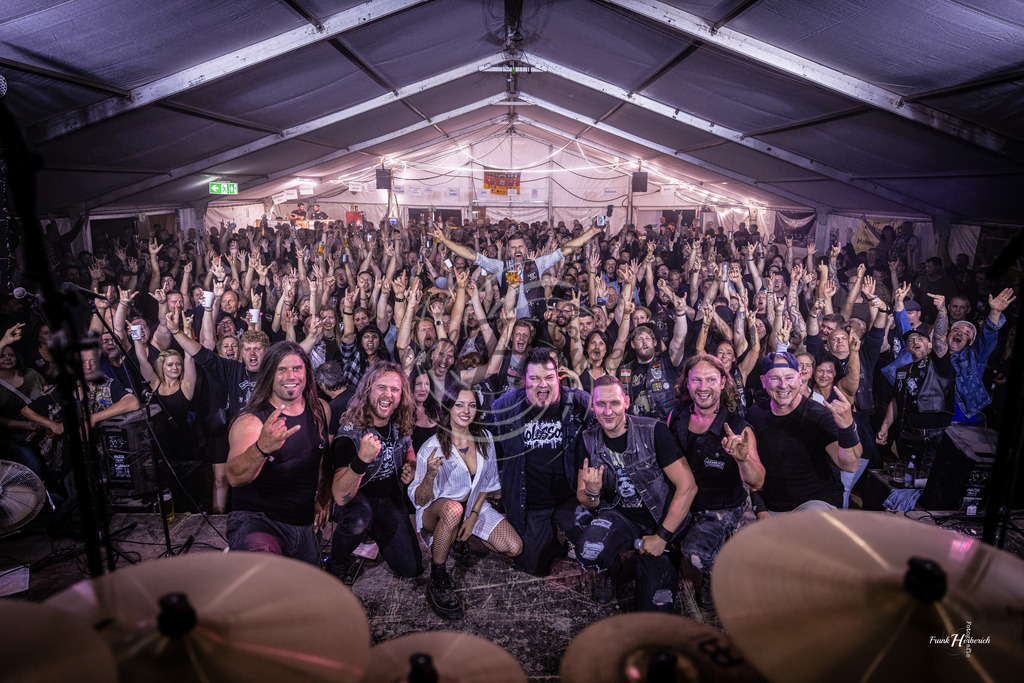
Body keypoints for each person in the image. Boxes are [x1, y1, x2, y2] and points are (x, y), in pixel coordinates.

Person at [577, 375, 697, 611]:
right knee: (588, 551)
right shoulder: (587, 440)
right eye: (601, 404)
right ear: (593, 407)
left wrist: (662, 537)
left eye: (614, 403)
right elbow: (585, 500)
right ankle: (610, 570)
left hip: (659, 519)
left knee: (655, 609)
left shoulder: (653, 431)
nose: (608, 411)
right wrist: (592, 493)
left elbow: (688, 486)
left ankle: (656, 557)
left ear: (627, 402)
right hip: (619, 516)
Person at [410, 383, 522, 619]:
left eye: (471, 405)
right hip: (438, 512)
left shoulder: (485, 439)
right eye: (459, 404)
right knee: (453, 508)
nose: (465, 410)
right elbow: (419, 500)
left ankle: (457, 541)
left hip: (473, 509)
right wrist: (430, 475)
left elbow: (488, 483)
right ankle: (438, 576)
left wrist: (472, 518)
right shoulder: (431, 447)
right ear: (448, 408)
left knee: (514, 547)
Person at [668, 355, 764, 609]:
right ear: (686, 383)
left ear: (723, 383)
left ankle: (722, 569)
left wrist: (743, 460)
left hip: (721, 507)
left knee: (696, 555)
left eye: (711, 379)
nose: (703, 387)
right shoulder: (676, 417)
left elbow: (757, 481)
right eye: (696, 379)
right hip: (686, 502)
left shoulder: (737, 426)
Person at [225, 341, 331, 564]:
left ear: (306, 373)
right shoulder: (251, 421)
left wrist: (323, 496)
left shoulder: (320, 410)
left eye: (296, 368)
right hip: (260, 521)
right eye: (281, 369)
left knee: (306, 594)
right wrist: (261, 448)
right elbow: (234, 477)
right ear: (269, 375)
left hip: (300, 524)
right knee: (264, 580)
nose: (290, 375)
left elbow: (320, 458)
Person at [490, 348, 592, 575]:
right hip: (532, 503)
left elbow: (603, 431)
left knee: (592, 550)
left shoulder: (578, 402)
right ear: (524, 382)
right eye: (534, 378)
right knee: (533, 566)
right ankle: (552, 538)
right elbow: (486, 440)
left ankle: (569, 533)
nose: (542, 385)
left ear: (558, 378)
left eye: (548, 378)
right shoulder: (505, 406)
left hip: (570, 497)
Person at [330, 361, 422, 583]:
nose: (388, 394)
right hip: (356, 503)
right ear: (368, 390)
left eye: (394, 389)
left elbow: (408, 449)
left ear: (401, 396)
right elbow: (340, 496)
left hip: (388, 501)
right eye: (381, 387)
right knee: (359, 518)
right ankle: (336, 565)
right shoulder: (350, 434)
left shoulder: (399, 423)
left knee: (411, 568)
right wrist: (361, 460)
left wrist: (411, 466)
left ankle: (372, 535)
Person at [747, 351, 861, 514]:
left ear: (800, 377)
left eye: (789, 377)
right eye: (774, 378)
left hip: (815, 502)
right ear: (763, 381)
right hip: (774, 506)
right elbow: (751, 466)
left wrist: (846, 427)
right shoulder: (755, 414)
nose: (783, 384)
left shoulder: (819, 415)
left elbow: (850, 465)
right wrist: (760, 508)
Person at [432, 224, 601, 319]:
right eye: (513, 247)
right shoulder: (500, 267)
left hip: (536, 322)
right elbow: (472, 255)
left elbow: (565, 250)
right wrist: (446, 241)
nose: (517, 250)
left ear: (526, 249)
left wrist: (591, 232)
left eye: (520, 246)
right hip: (510, 325)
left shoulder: (538, 264)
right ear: (508, 251)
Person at [876, 294, 953, 478]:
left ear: (929, 344)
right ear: (907, 348)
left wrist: (942, 311)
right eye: (911, 340)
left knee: (929, 481)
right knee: (907, 479)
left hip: (934, 436)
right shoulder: (902, 370)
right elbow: (896, 400)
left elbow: (941, 337)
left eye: (920, 339)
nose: (915, 341)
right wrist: (885, 426)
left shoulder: (939, 365)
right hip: (908, 435)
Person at [948, 288, 1014, 424]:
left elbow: (987, 338)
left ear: (972, 342)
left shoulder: (974, 357)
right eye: (956, 330)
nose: (961, 334)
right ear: (949, 334)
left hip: (959, 417)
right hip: (931, 415)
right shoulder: (935, 355)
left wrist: (995, 313)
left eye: (967, 333)